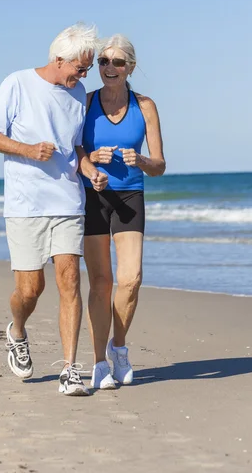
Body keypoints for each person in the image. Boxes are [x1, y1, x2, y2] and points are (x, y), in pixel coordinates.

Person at [0, 23, 108, 396]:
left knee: (70, 279)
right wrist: (28, 149)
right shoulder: (17, 83)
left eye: (86, 70)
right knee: (30, 289)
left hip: (68, 201)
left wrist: (88, 170)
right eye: (80, 69)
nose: (84, 76)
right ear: (58, 59)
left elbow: (76, 148)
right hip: (25, 204)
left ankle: (70, 369)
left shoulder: (78, 94)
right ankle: (17, 330)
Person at [82, 34, 166, 389]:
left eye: (117, 62)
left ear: (130, 67)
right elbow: (71, 154)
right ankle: (99, 363)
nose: (109, 68)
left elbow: (160, 164)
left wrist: (142, 160)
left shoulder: (144, 105)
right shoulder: (85, 103)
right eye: (103, 61)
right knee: (101, 282)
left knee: (130, 279)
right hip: (93, 198)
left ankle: (119, 348)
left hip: (130, 195)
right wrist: (90, 162)